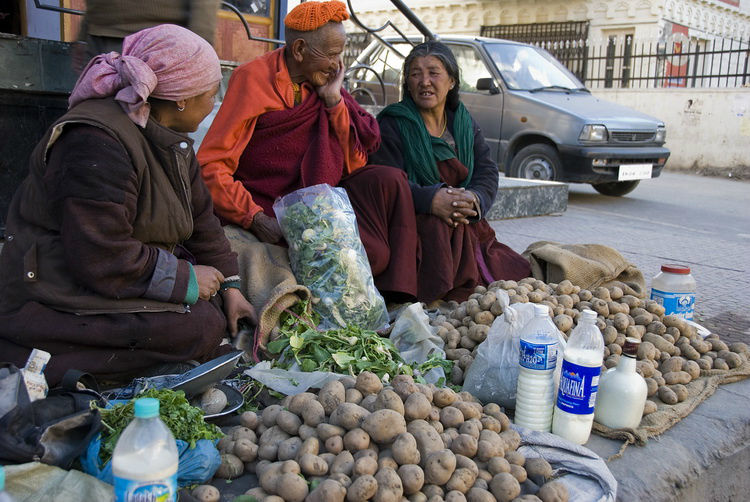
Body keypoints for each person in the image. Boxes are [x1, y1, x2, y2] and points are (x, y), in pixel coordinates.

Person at [0, 24, 255, 386]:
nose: (214, 104)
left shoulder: (171, 142)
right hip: (57, 284)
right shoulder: (95, 141)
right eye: (210, 94)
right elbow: (100, 254)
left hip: (117, 274)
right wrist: (185, 279)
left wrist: (231, 288)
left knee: (209, 315)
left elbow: (202, 221)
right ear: (180, 98)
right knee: (197, 325)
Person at [198, 0, 418, 305]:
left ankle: (394, 297)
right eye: (330, 55)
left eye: (340, 55)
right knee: (341, 262)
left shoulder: (326, 82)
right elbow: (211, 165)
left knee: (378, 249)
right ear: (299, 50)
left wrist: (333, 101)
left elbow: (355, 163)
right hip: (267, 203)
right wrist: (255, 218)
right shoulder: (253, 79)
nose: (337, 65)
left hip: (317, 206)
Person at [369, 41, 531, 302]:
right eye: (415, 74)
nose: (424, 82)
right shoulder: (392, 125)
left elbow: (486, 171)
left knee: (517, 275)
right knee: (438, 233)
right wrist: (432, 200)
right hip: (413, 223)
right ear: (407, 84)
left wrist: (475, 199)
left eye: (433, 73)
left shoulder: (464, 124)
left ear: (452, 81)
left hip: (465, 221)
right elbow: (386, 183)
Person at [73, 0, 221, 71]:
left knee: (155, 120)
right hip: (98, 37)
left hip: (158, 43)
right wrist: (83, 37)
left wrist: (199, 51)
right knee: (95, 116)